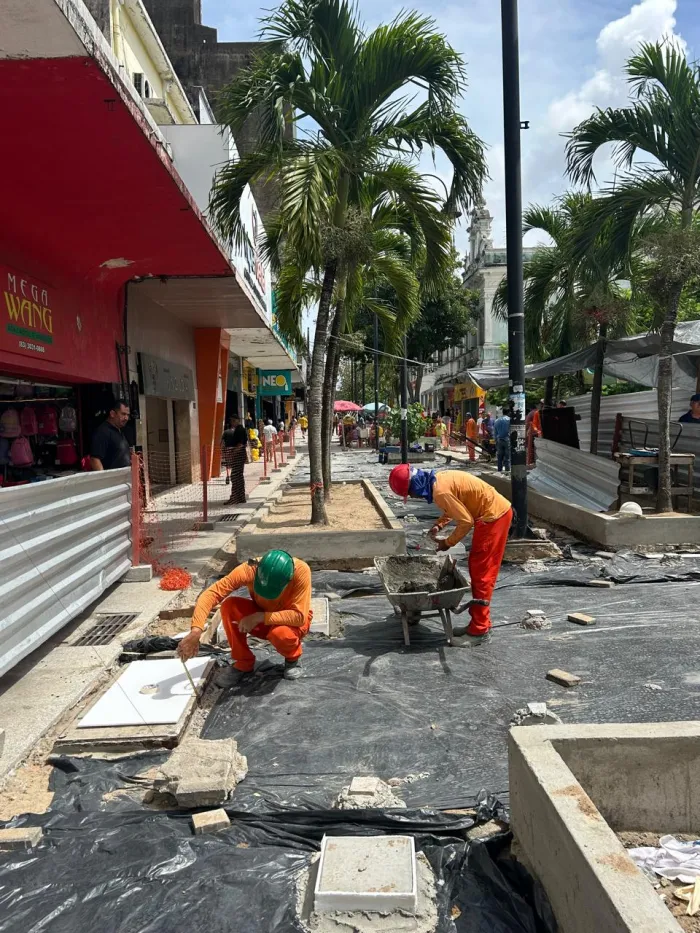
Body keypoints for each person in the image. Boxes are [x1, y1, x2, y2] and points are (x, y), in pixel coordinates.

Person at [388, 465, 512, 645]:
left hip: (493, 517)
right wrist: (439, 525)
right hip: (492, 513)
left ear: (415, 487)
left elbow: (466, 521)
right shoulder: (438, 480)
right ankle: (480, 623)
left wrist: (447, 543)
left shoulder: (440, 492)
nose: (415, 497)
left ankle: (479, 630)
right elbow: (455, 505)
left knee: (482, 575)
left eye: (412, 494)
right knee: (478, 570)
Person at [178, 549, 312, 684]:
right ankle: (243, 662)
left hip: (291, 625)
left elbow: (299, 616)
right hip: (263, 617)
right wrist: (196, 630)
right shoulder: (249, 569)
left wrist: (258, 617)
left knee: (281, 633)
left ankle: (292, 659)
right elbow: (211, 594)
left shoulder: (300, 571)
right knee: (229, 607)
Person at [90, 400, 131, 471]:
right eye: (123, 414)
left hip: (124, 478)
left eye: (128, 415)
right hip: (112, 479)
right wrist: (103, 479)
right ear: (112, 414)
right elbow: (95, 459)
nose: (126, 418)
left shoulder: (119, 430)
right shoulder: (103, 431)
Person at [225, 424, 249, 504]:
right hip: (241, 457)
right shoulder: (243, 431)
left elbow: (240, 444)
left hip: (238, 457)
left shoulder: (239, 431)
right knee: (239, 477)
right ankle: (241, 497)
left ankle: (234, 498)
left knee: (235, 477)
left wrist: (232, 453)